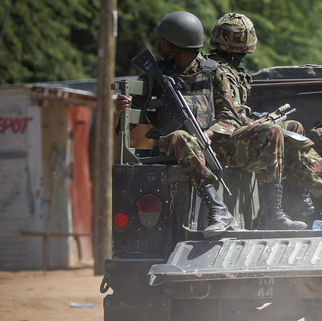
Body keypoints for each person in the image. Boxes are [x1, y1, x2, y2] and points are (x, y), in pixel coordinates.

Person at [115, 11, 306, 237]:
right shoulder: (156, 73)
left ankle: (272, 214)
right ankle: (217, 209)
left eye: (163, 40)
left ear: (177, 44)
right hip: (173, 145)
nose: (158, 44)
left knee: (272, 130)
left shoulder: (213, 71)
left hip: (212, 145)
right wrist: (123, 109)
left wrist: (210, 133)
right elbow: (127, 125)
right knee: (180, 137)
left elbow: (230, 117)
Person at [206, 12, 322, 228]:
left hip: (227, 140)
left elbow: (235, 117)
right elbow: (229, 120)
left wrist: (255, 122)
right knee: (272, 132)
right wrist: (257, 125)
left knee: (293, 128)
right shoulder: (218, 71)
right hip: (218, 146)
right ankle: (272, 214)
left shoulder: (227, 70)